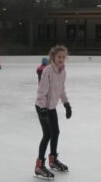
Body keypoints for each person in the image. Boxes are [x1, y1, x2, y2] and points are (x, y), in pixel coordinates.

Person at [34, 45, 72, 179]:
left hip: (51, 107)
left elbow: (61, 89)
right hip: (42, 106)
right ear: (53, 57)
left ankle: (53, 160)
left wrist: (66, 104)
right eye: (59, 56)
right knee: (47, 134)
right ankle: (39, 165)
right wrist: (43, 109)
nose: (61, 59)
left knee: (56, 132)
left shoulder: (62, 71)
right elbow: (41, 92)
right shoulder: (48, 71)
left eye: (63, 57)